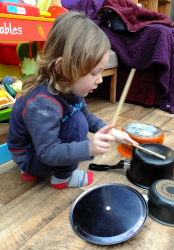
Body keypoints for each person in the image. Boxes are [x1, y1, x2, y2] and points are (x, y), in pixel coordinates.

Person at [7, 11, 137, 189]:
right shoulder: (42, 104)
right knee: (78, 123)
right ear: (62, 68)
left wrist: (111, 133)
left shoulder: (68, 85)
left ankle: (32, 171)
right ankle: (62, 178)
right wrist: (88, 148)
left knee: (79, 117)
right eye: (93, 73)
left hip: (35, 149)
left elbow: (87, 115)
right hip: (31, 157)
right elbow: (47, 152)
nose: (100, 79)